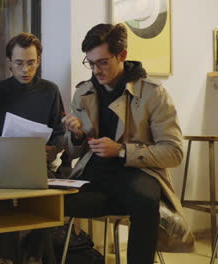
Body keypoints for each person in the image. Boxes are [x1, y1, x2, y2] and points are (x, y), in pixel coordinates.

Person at [62, 23, 184, 264]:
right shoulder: (83, 93)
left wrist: (121, 150)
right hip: (95, 174)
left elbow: (174, 152)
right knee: (51, 201)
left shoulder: (153, 94)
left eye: (103, 62)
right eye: (91, 63)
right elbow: (75, 151)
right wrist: (75, 136)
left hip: (138, 172)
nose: (96, 70)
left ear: (123, 56)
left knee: (144, 200)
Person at [0, 32, 65, 264]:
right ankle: (10, 258)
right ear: (9, 63)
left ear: (38, 61)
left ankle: (33, 253)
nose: (25, 70)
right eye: (19, 63)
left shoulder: (50, 90)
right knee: (0, 201)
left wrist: (53, 148)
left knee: (52, 196)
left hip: (39, 164)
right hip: (2, 166)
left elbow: (59, 132)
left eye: (31, 63)